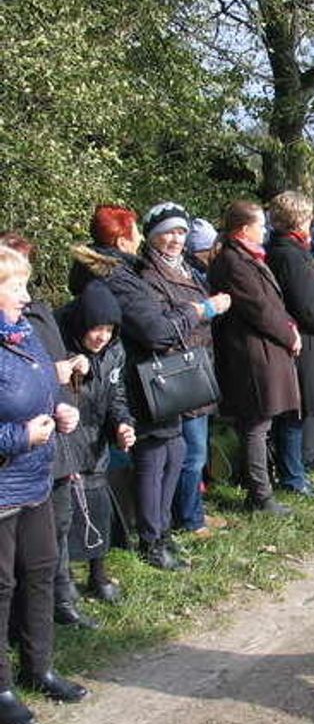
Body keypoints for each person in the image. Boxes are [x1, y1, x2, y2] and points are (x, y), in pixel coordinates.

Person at [71, 204, 229, 570]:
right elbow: (155, 331)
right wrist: (197, 311)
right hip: (139, 381)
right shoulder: (118, 278)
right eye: (138, 233)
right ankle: (152, 540)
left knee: (172, 452)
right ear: (124, 238)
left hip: (149, 378)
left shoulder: (118, 271)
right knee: (155, 457)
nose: (141, 239)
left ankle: (161, 531)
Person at [0, 245, 88, 724]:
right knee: (1, 586)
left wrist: (61, 410)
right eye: (16, 286)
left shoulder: (24, 332)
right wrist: (18, 435)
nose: (26, 295)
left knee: (39, 571)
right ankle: (2, 687)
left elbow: (46, 386)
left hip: (35, 475)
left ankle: (40, 668)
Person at [138, 203, 229, 538]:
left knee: (195, 450)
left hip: (199, 364)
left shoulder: (186, 267)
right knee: (191, 453)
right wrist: (205, 310)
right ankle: (188, 519)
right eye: (168, 233)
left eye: (180, 232)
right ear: (152, 236)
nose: (175, 239)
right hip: (180, 372)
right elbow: (163, 326)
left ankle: (193, 512)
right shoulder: (149, 276)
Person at [209, 201, 302, 515]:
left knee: (260, 422)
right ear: (243, 229)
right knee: (256, 423)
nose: (264, 230)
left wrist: (290, 326)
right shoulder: (235, 263)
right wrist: (289, 335)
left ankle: (261, 491)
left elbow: (271, 304)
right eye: (260, 225)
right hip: (251, 352)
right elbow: (260, 309)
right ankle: (260, 496)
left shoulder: (246, 258)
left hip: (262, 348)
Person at [56, 281, 136, 602]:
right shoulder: (60, 348)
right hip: (66, 439)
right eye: (95, 329)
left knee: (99, 507)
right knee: (66, 515)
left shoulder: (114, 350)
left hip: (97, 441)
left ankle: (98, 574)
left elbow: (116, 395)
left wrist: (123, 425)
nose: (101, 336)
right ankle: (64, 584)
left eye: (108, 329)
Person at [266, 191, 314, 487]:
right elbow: (307, 307)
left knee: (298, 409)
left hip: (298, 333)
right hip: (303, 336)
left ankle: (297, 467)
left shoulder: (282, 249)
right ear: (299, 219)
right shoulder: (292, 255)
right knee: (298, 409)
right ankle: (294, 475)